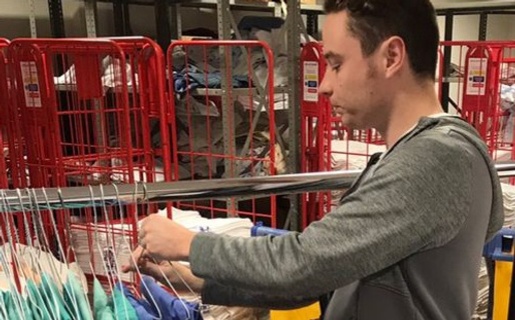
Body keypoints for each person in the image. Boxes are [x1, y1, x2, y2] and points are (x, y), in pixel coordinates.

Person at [123, 0, 505, 319]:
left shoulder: (436, 159)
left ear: (391, 56)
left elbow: (305, 263)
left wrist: (190, 244)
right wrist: (201, 283)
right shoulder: (421, 155)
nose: (324, 84)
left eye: (336, 64)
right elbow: (318, 278)